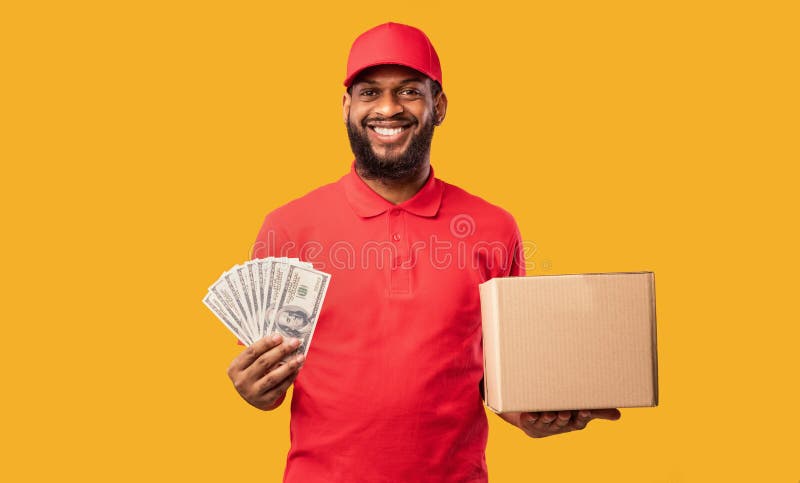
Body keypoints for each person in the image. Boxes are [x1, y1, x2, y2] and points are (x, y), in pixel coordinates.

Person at [226, 22, 620, 482]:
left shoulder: (495, 228)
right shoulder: (288, 228)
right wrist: (255, 390)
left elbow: (501, 372)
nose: (388, 108)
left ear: (440, 106)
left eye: (409, 91)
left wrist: (528, 415)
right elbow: (267, 378)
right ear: (347, 107)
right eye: (370, 93)